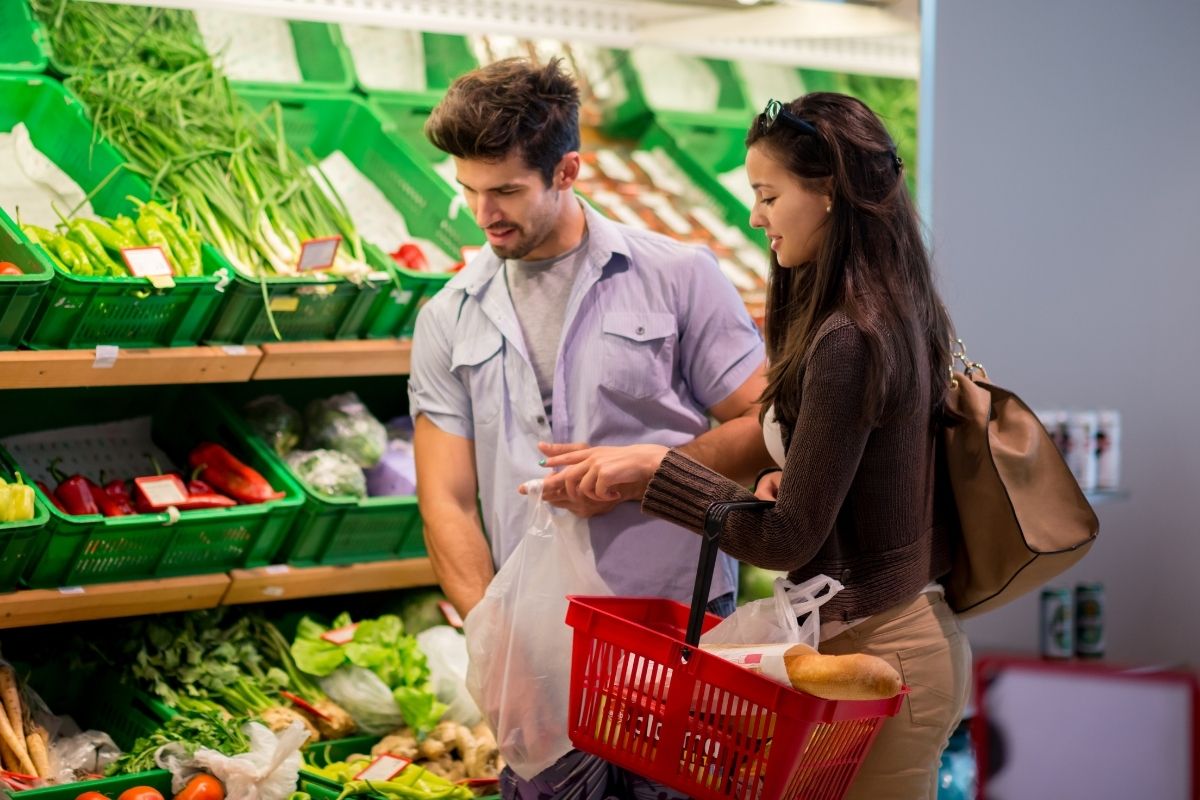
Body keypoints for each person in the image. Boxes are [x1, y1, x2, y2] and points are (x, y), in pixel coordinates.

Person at [541, 93, 972, 800]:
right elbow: (865, 476)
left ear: (828, 192)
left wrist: (659, 470)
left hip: (880, 658)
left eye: (768, 195)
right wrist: (789, 475)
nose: (754, 216)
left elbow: (787, 541)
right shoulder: (889, 307)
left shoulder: (847, 337)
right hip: (879, 643)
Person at [407, 57, 770, 798]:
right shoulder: (449, 315)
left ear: (567, 169)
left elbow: (766, 424)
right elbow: (445, 497)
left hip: (676, 627)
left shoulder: (678, 276)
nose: (484, 214)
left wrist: (651, 470)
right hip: (534, 647)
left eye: (506, 190)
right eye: (469, 191)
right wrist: (492, 634)